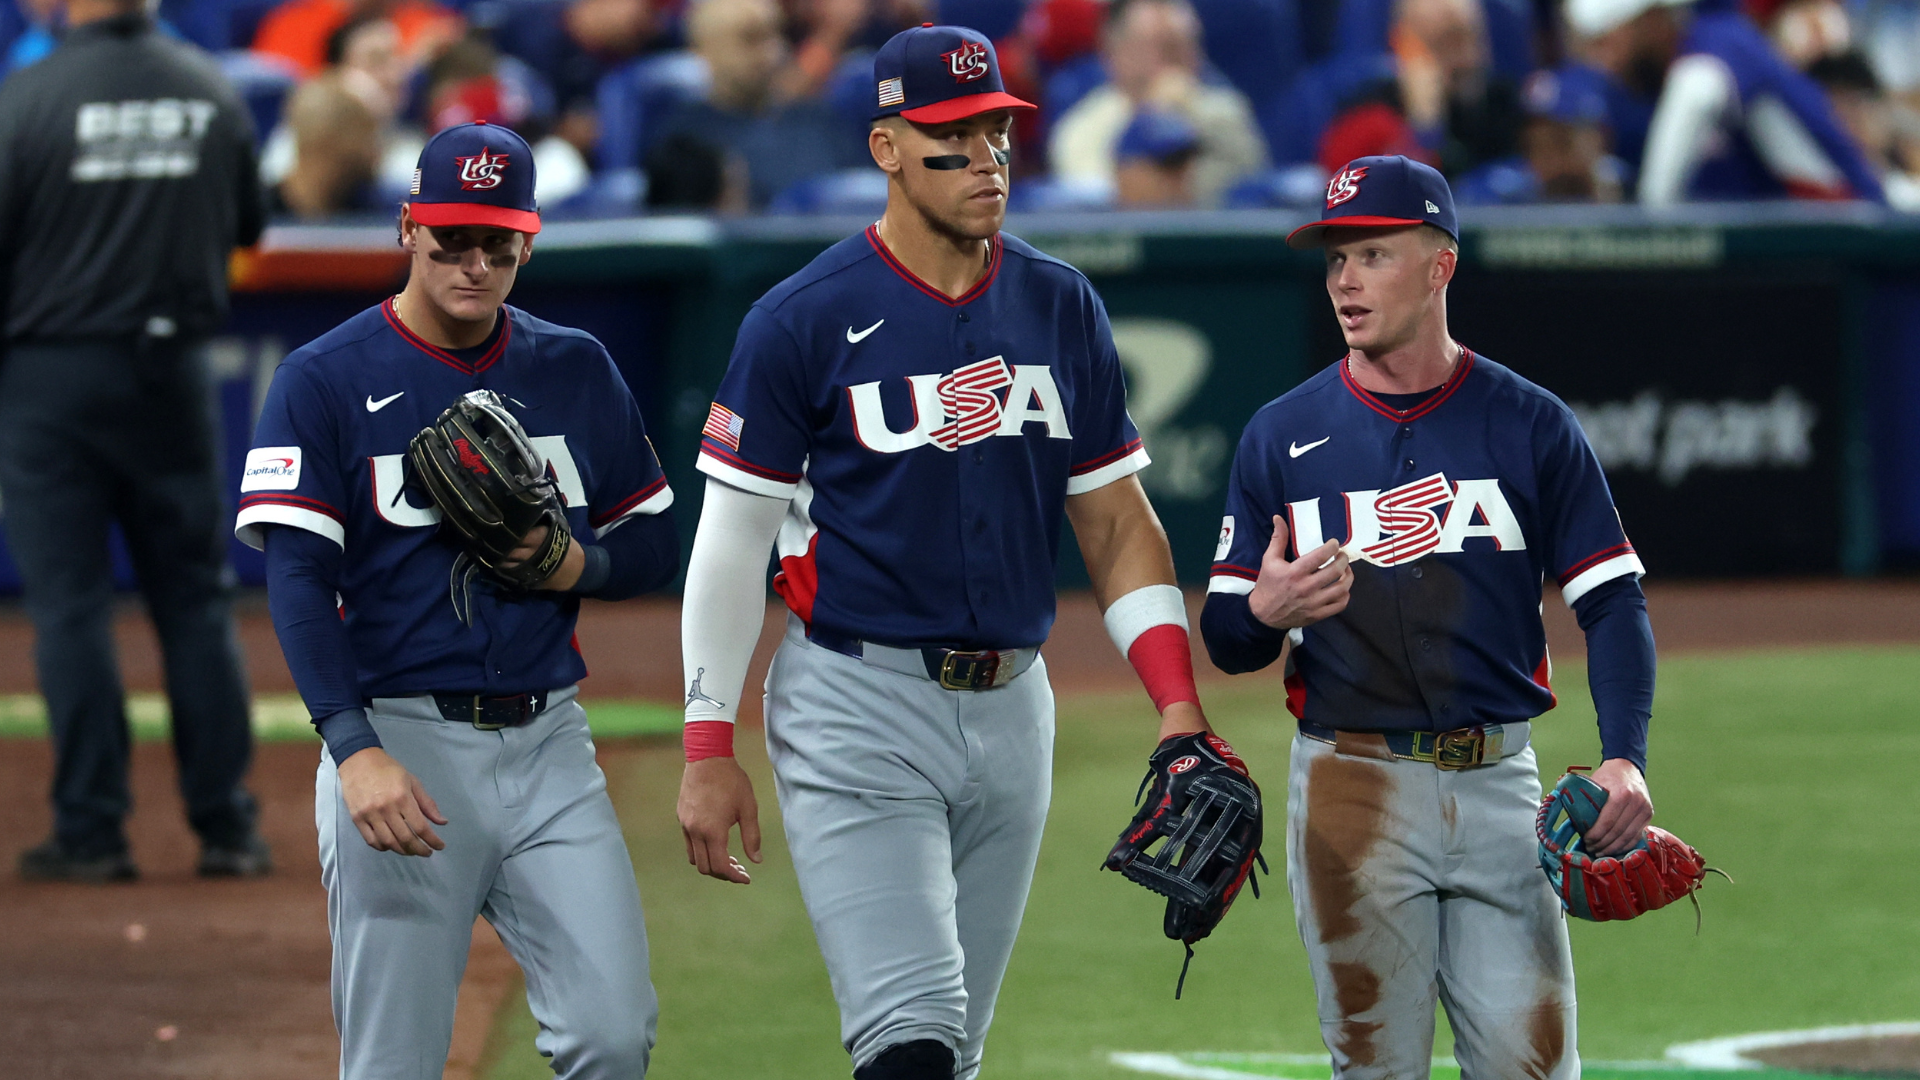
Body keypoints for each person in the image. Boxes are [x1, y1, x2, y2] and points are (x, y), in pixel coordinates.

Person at [675, 25, 1216, 1080]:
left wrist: (1179, 707)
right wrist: (706, 743)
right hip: (855, 704)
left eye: (999, 137)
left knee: (951, 1051)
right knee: (910, 1039)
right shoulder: (801, 319)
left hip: (1018, 706)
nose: (986, 162)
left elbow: (1114, 521)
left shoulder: (1058, 303)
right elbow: (732, 543)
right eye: (952, 141)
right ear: (885, 149)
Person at [1200, 155, 1659, 1078]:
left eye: (1372, 254)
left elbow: (1612, 602)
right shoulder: (1280, 435)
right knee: (1375, 1068)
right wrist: (1263, 607)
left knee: (1534, 1067)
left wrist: (1624, 756)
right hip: (1349, 788)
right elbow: (1225, 635)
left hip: (1501, 787)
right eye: (1335, 260)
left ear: (1440, 265)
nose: (1345, 281)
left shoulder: (1528, 423)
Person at [237, 121, 677, 1078]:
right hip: (404, 739)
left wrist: (577, 568)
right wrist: (353, 752)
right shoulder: (324, 378)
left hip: (551, 740)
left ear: (529, 242)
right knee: (394, 1061)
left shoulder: (574, 367)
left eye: (498, 243)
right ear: (407, 228)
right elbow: (298, 579)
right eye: (452, 240)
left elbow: (652, 539)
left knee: (612, 1033)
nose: (475, 263)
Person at [0, 0, 269, 883]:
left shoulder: (26, 97)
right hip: (174, 372)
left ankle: (90, 831)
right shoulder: (209, 90)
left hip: (51, 374)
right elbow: (249, 229)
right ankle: (227, 828)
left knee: (71, 606)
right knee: (194, 600)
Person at [1570, 0, 1885, 202]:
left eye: (1609, 42)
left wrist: (1652, 227)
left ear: (1651, 20)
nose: (1603, 62)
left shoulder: (1719, 40)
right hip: (1805, 270)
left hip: (1861, 264)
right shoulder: (1648, 85)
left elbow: (1699, 89)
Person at [642, 0, 868, 209]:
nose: (771, 52)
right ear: (702, 49)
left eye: (775, 35)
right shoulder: (683, 142)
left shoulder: (822, 123)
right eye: (749, 39)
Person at [1048, 0, 1267, 206]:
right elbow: (1117, 203)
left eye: (1185, 45)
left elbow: (1245, 189)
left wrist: (1182, 113)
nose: (1176, 62)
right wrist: (1154, 114)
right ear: (1116, 54)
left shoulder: (1225, 114)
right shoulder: (1082, 130)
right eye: (1163, 47)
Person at [1453, 64, 1627, 203]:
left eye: (1561, 144)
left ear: (1600, 140)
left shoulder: (1633, 189)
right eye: (1534, 148)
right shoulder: (1498, 199)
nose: (1550, 164)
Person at [266, 70, 387, 218]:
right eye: (367, 135)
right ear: (326, 140)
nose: (374, 151)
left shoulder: (376, 212)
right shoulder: (254, 215)